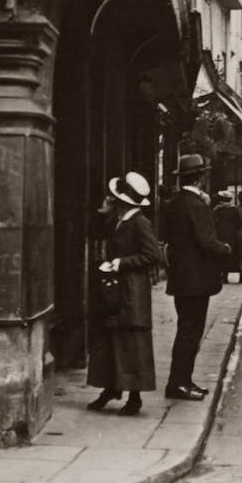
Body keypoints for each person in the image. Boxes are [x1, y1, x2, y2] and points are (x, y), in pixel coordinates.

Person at [86, 171, 159, 416]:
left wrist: (119, 263)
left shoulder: (139, 222)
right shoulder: (119, 220)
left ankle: (134, 397)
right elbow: (94, 231)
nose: (110, 198)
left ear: (123, 201)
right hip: (117, 289)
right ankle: (110, 388)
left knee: (131, 342)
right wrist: (103, 211)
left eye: (113, 197)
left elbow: (152, 255)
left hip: (132, 291)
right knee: (110, 339)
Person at [163, 153, 231, 401]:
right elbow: (207, 242)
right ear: (201, 178)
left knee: (185, 330)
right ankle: (179, 384)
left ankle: (181, 381)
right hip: (196, 281)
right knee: (190, 333)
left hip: (180, 279)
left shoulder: (173, 203)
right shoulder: (197, 206)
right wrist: (226, 249)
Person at [213, 191, 242, 283]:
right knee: (236, 255)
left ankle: (224, 276)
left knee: (222, 256)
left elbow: (213, 222)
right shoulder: (234, 210)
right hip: (233, 236)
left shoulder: (217, 210)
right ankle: (241, 274)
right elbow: (239, 223)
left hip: (220, 236)